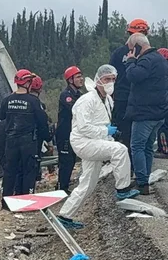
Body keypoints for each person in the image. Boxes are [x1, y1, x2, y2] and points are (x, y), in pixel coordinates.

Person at [57, 64, 139, 229]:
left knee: (88, 183)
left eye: (113, 79)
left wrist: (107, 134)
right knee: (120, 150)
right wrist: (105, 131)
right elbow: (83, 127)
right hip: (83, 141)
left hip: (95, 141)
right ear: (98, 80)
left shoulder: (108, 99)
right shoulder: (86, 100)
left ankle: (65, 215)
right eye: (106, 79)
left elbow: (101, 123)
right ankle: (122, 189)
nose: (110, 82)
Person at [124, 34, 168, 195]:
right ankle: (145, 178)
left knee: (137, 146)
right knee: (148, 147)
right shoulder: (160, 60)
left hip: (145, 112)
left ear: (137, 47)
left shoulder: (146, 60)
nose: (130, 52)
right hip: (158, 112)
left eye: (132, 49)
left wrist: (130, 61)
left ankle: (142, 182)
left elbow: (133, 76)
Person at [0, 69, 51, 209]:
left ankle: (6, 202)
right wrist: (47, 137)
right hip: (28, 142)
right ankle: (27, 200)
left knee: (10, 171)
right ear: (27, 83)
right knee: (29, 170)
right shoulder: (33, 101)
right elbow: (42, 122)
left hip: (10, 141)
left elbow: (1, 116)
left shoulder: (7, 100)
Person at [111, 18, 150, 150]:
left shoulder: (118, 53)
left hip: (122, 98)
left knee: (123, 133)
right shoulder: (147, 55)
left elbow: (110, 75)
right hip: (138, 100)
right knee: (139, 137)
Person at [56, 66, 83, 193]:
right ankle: (62, 187)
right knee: (66, 161)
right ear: (70, 80)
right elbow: (75, 110)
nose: (81, 79)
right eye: (78, 77)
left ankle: (64, 185)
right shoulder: (66, 95)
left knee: (71, 160)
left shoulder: (79, 95)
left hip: (75, 133)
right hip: (65, 134)